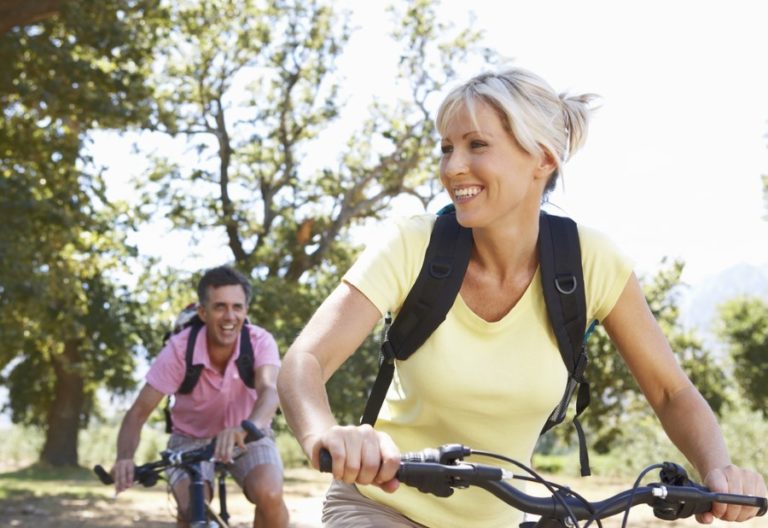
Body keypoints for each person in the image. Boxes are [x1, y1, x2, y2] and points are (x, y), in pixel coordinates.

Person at [276, 67, 767, 528]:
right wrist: (325, 433)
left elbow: (670, 392)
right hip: (381, 506)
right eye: (447, 148)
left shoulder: (589, 262)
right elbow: (306, 359)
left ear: (543, 158)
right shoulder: (414, 244)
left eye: (477, 145)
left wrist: (719, 468)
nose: (453, 167)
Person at [113, 265, 289, 528]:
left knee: (270, 492)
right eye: (220, 307)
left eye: (237, 307)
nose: (230, 316)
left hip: (247, 434)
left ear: (245, 310)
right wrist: (124, 457)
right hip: (190, 440)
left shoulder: (259, 341)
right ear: (203, 312)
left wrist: (246, 427)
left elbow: (270, 390)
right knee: (193, 510)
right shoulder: (179, 350)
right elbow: (138, 413)